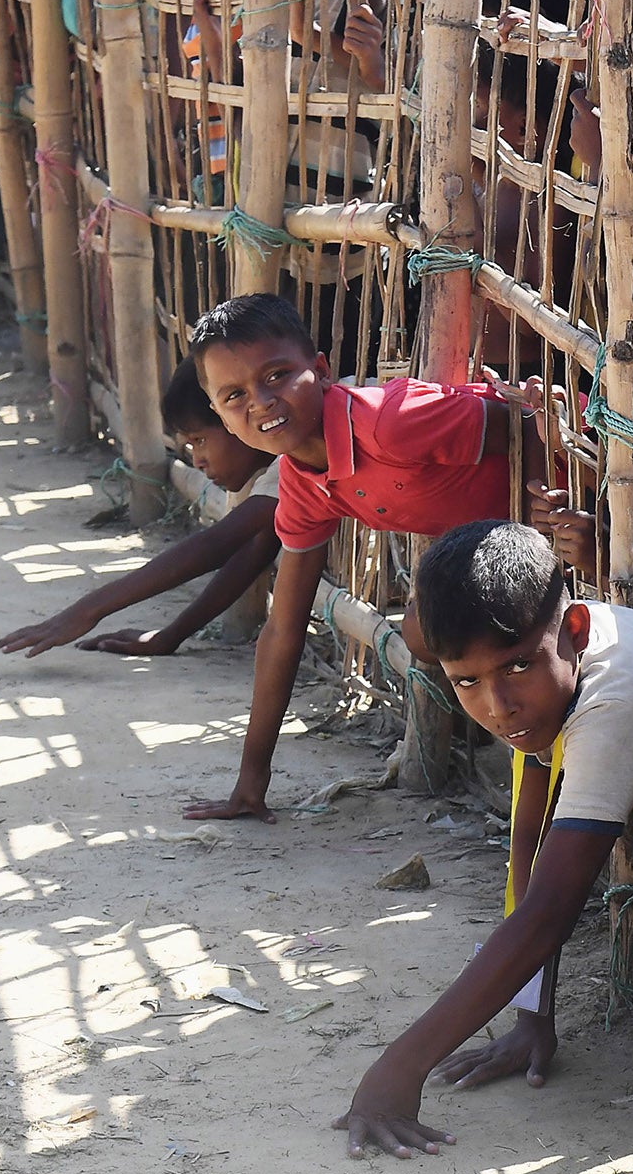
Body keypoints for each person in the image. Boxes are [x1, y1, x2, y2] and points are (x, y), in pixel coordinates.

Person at [330, 521, 633, 1157]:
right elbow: (531, 841)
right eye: (466, 683)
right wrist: (532, 1015)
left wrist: (398, 1069)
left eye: (515, 667)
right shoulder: (545, 690)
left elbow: (547, 914)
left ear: (576, 631)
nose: (499, 705)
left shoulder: (615, 705)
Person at [183, 293, 534, 823]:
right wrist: (250, 784)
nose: (260, 402)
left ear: (320, 370)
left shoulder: (391, 425)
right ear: (220, 416)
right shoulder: (303, 487)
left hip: (572, 502)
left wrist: (545, 526)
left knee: (448, 626)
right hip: (500, 544)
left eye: (277, 375)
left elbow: (526, 426)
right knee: (425, 631)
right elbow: (283, 629)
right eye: (235, 395)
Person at [0, 359, 283, 660]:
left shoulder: (292, 460)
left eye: (200, 440)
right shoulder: (280, 476)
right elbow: (254, 551)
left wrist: (87, 611)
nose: (198, 460)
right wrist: (169, 636)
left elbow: (216, 545)